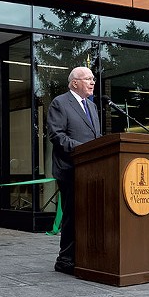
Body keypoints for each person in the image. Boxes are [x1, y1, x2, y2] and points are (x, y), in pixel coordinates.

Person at [46, 67, 101, 275]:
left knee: (89, 215)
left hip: (92, 170)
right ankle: (66, 259)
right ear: (74, 83)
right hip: (70, 169)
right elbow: (56, 136)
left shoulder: (92, 107)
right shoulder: (60, 103)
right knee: (73, 214)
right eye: (88, 79)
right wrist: (82, 150)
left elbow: (96, 138)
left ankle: (86, 255)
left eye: (93, 78)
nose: (92, 82)